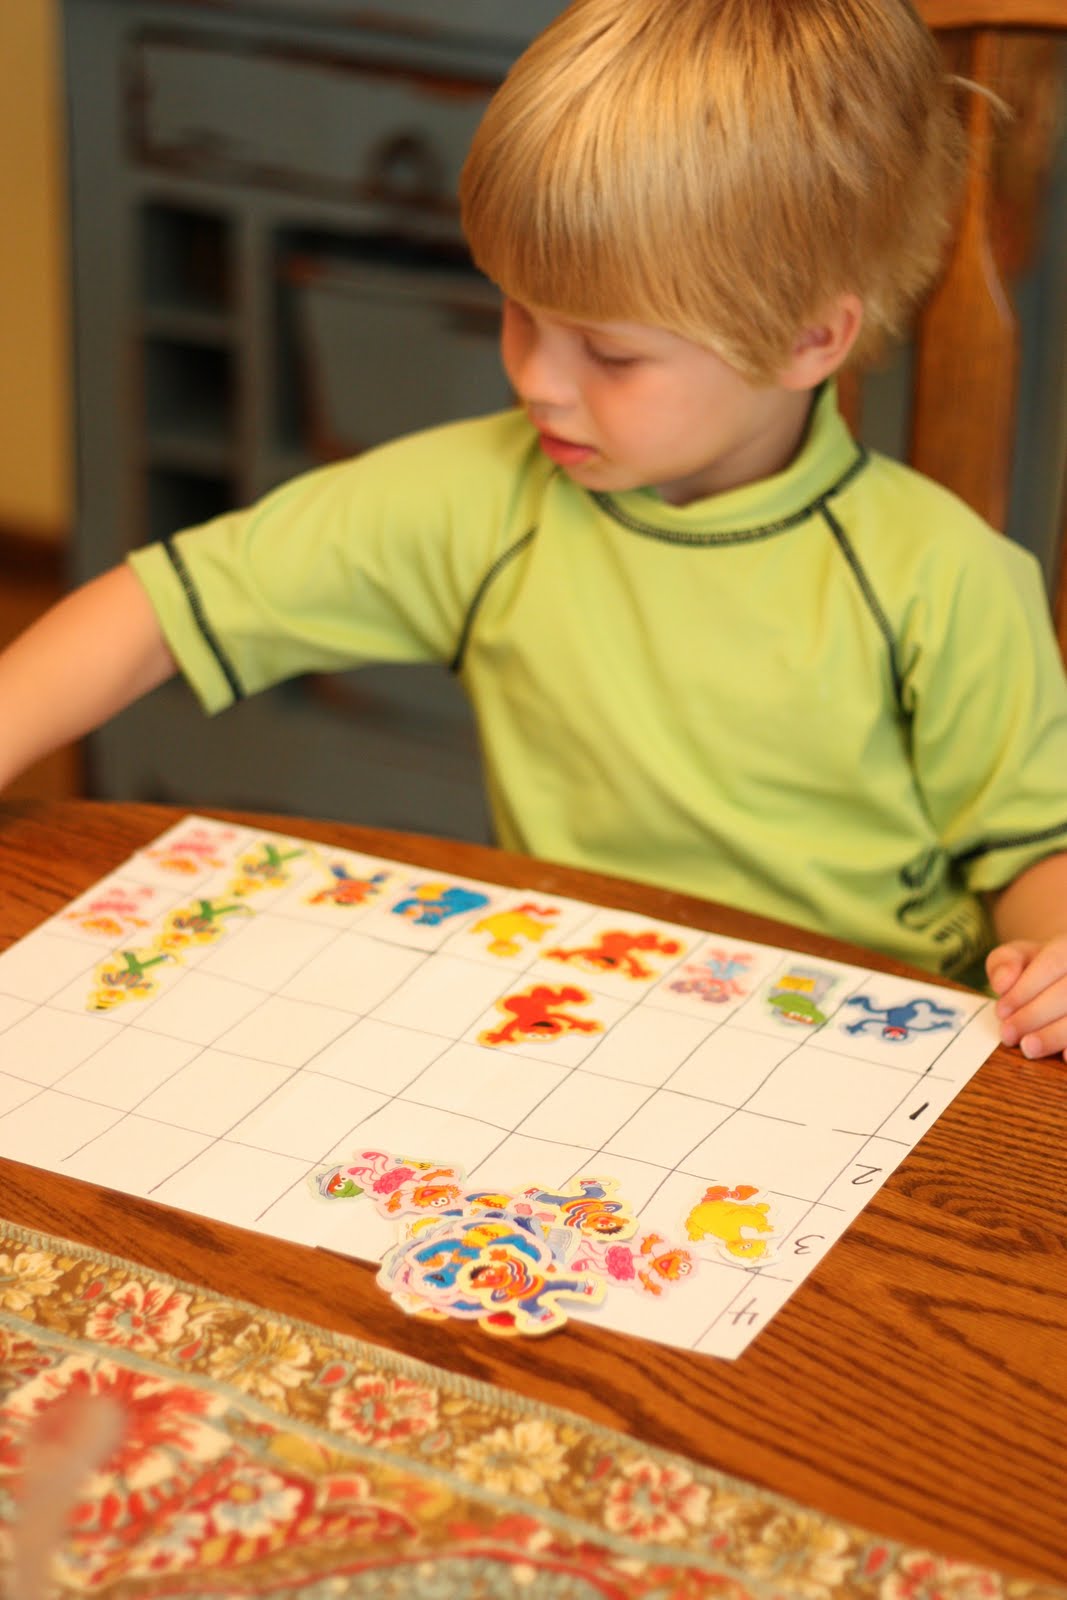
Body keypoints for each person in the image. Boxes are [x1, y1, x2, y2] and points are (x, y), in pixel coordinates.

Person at [1, 0, 1065, 1058]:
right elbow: (158, 609)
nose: (536, 380)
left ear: (807, 339)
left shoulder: (944, 576)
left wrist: (1053, 951)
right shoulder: (485, 498)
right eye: (516, 311)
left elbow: (1030, 848)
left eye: (609, 353)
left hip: (866, 1054)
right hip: (572, 1021)